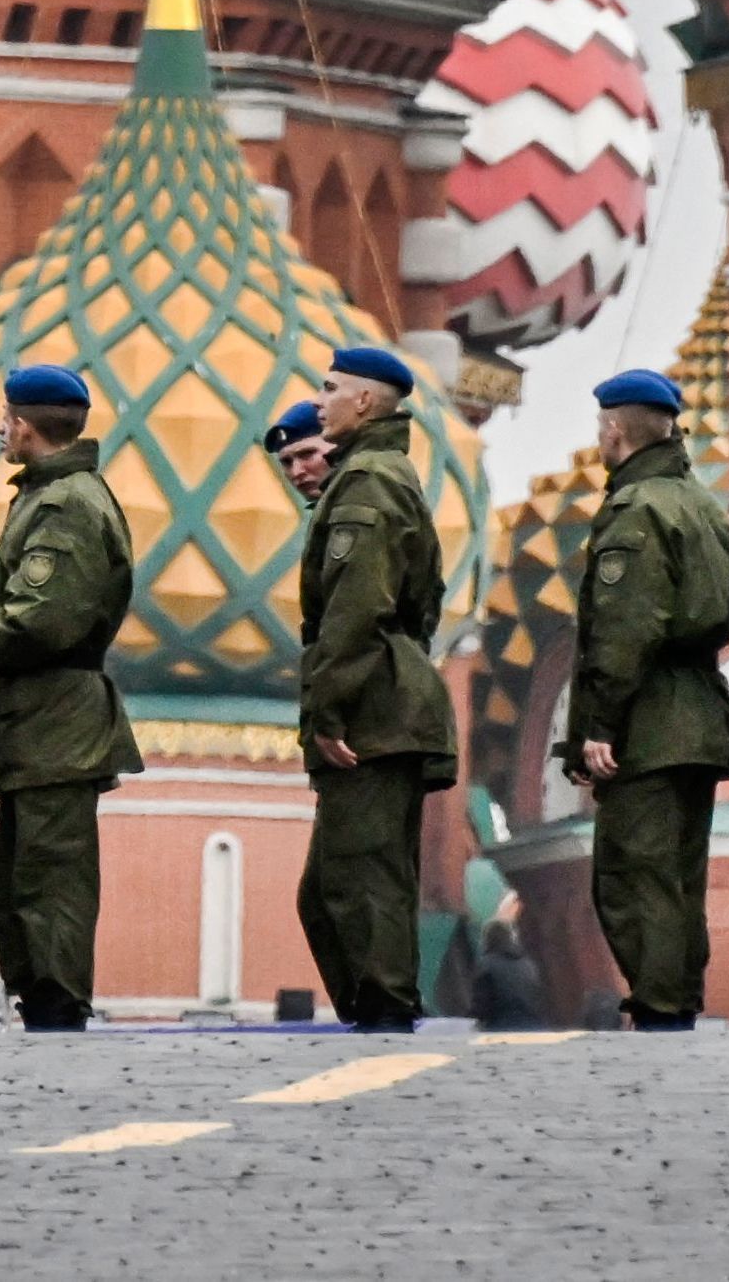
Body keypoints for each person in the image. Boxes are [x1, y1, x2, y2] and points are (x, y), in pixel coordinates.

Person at [559, 366, 729, 1031]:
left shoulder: (637, 510)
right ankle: (677, 998)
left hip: (650, 717)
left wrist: (599, 724)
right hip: (701, 711)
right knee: (678, 874)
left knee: (635, 872)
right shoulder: (704, 507)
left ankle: (661, 1006)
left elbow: (623, 626)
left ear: (613, 430)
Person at [0, 360, 137, 1032]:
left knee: (49, 877)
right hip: (39, 716)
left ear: (27, 425)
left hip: (55, 715)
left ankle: (57, 1007)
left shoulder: (65, 500)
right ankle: (42, 998)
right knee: (14, 879)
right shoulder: (50, 493)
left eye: (5, 417)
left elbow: (42, 615)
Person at [287, 344, 449, 1033]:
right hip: (384, 694)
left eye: (328, 390)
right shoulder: (380, 475)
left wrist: (327, 711)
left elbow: (354, 609)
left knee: (363, 874)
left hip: (370, 708)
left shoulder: (367, 484)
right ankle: (373, 1009)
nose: (318, 403)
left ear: (361, 400)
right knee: (330, 887)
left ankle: (383, 1013)